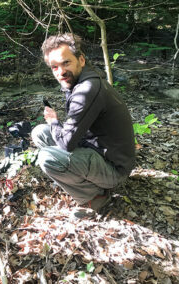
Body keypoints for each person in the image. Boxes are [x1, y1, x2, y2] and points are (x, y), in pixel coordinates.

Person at [31, 33, 135, 212]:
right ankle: (82, 182)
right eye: (54, 67)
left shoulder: (87, 90)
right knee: (40, 132)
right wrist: (53, 125)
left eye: (66, 63)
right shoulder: (82, 79)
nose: (60, 72)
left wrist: (54, 121)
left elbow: (67, 144)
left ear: (81, 60)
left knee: (47, 158)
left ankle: (96, 197)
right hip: (98, 150)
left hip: (114, 169)